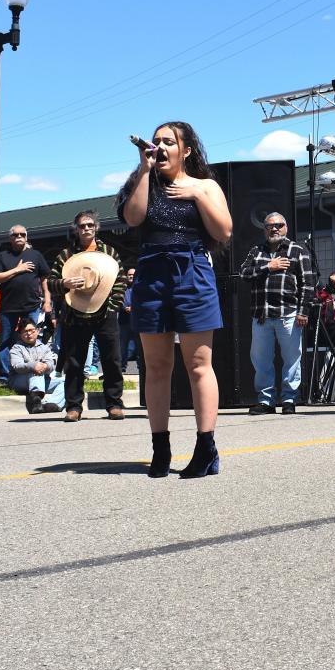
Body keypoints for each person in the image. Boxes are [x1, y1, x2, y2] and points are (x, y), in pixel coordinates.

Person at [118, 121, 232, 478]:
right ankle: (160, 448)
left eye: (169, 142)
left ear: (187, 150)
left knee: (199, 363)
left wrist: (197, 196)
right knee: (156, 365)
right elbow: (132, 218)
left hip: (192, 270)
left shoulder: (206, 185)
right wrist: (143, 169)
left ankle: (205, 448)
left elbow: (224, 230)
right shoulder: (144, 182)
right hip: (151, 272)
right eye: (156, 142)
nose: (161, 147)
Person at [48, 211, 128, 422]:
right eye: (82, 225)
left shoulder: (109, 252)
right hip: (74, 315)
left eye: (90, 225)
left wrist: (112, 307)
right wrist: (63, 284)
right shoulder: (65, 256)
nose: (86, 229)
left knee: (112, 360)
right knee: (74, 362)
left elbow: (119, 282)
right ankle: (73, 407)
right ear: (76, 229)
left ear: (97, 227)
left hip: (105, 315)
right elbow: (50, 283)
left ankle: (114, 404)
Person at [240, 212, 314, 416]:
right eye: (270, 226)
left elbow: (308, 284)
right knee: (261, 361)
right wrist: (268, 267)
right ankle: (266, 401)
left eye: (279, 225)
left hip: (288, 315)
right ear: (264, 230)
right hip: (261, 316)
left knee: (291, 359)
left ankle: (289, 400)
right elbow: (244, 273)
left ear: (286, 227)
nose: (274, 229)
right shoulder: (257, 251)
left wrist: (303, 312)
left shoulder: (298, 250)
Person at [0, 225, 52, 387]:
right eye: (15, 234)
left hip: (31, 305)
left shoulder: (36, 255)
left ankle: (34, 369)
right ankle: (5, 376)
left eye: (22, 234)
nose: (19, 237)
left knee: (33, 339)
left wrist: (47, 300)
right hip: (8, 307)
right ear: (10, 238)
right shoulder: (3, 256)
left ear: (26, 236)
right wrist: (18, 269)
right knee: (5, 341)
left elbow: (44, 278)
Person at [8, 316, 64, 414]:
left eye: (31, 330)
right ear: (20, 334)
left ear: (37, 331)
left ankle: (50, 404)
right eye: (25, 331)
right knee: (35, 372)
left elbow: (52, 363)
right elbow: (17, 366)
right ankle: (37, 402)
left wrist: (45, 366)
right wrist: (33, 366)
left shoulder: (44, 347)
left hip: (41, 379)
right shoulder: (16, 348)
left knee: (67, 381)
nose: (29, 334)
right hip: (20, 380)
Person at [119, 267, 139, 374]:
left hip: (137, 321)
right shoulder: (122, 288)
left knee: (139, 345)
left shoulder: (140, 288)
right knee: (123, 346)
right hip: (124, 321)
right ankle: (122, 367)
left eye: (133, 275)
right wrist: (124, 307)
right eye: (129, 275)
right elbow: (118, 299)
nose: (131, 276)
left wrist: (134, 308)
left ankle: (140, 367)